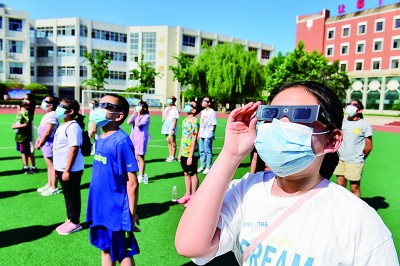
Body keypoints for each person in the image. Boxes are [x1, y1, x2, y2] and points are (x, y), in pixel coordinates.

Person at [175, 81, 398, 265]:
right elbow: (190, 245)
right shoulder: (247, 191)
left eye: (301, 115)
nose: (281, 124)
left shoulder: (358, 220)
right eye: (271, 114)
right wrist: (231, 153)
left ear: (332, 140)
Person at [86, 94, 140, 265]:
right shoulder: (101, 139)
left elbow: (132, 182)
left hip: (116, 209)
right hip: (99, 207)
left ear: (119, 115)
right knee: (105, 248)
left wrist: (130, 214)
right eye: (99, 104)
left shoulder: (121, 141)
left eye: (107, 105)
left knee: (123, 251)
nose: (99, 108)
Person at [53, 98, 85, 235]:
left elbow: (74, 149)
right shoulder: (63, 125)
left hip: (71, 169)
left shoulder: (73, 127)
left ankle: (75, 222)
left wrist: (66, 170)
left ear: (71, 111)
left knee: (72, 195)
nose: (58, 108)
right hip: (62, 167)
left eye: (62, 106)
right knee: (67, 195)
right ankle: (70, 218)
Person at [334, 99, 373, 197]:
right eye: (348, 104)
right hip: (340, 160)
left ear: (360, 110)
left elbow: (369, 146)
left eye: (353, 105)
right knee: (341, 186)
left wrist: (360, 158)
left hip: (354, 161)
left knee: (354, 188)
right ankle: (342, 207)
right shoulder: (342, 122)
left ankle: (357, 210)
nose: (349, 106)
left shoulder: (364, 125)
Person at [176, 101, 200, 207]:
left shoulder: (195, 121)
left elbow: (194, 138)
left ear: (194, 110)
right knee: (186, 173)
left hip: (192, 152)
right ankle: (187, 194)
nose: (187, 106)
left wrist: (190, 156)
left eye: (190, 105)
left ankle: (194, 196)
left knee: (193, 174)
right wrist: (180, 152)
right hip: (184, 151)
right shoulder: (185, 120)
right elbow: (183, 136)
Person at [35, 96, 60, 196]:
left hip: (49, 143)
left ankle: (54, 187)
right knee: (49, 165)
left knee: (52, 166)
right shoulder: (48, 114)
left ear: (52, 105)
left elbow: (48, 131)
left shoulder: (52, 115)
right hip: (45, 142)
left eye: (46, 101)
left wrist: (40, 142)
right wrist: (39, 140)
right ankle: (49, 184)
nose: (43, 103)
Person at [12, 94, 37, 174]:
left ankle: (31, 167)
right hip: (21, 134)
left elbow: (26, 123)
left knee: (29, 151)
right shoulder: (23, 110)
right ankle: (26, 166)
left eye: (26, 99)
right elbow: (18, 118)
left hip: (25, 134)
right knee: (24, 151)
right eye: (23, 99)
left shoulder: (28, 111)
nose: (24, 100)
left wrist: (16, 126)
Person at [127, 101, 151, 184]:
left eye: (140, 106)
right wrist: (134, 114)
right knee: (135, 156)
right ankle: (138, 174)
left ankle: (141, 175)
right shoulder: (135, 115)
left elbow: (138, 124)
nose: (138, 107)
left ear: (144, 108)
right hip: (133, 137)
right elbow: (128, 122)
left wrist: (138, 115)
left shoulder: (146, 116)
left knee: (140, 156)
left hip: (141, 137)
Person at [197, 96, 217, 175]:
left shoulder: (212, 112)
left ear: (209, 103)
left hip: (208, 134)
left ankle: (208, 167)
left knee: (208, 151)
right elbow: (201, 123)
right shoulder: (202, 112)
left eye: (205, 101)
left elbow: (214, 124)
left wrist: (212, 133)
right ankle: (202, 165)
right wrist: (199, 133)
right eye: (203, 100)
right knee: (201, 151)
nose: (203, 102)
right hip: (202, 133)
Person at [161, 96, 179, 162]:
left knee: (172, 140)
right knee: (168, 140)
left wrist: (173, 128)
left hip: (171, 124)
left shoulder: (175, 109)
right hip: (166, 124)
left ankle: (173, 156)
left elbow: (175, 119)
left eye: (170, 99)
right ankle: (170, 155)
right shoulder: (167, 108)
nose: (168, 100)